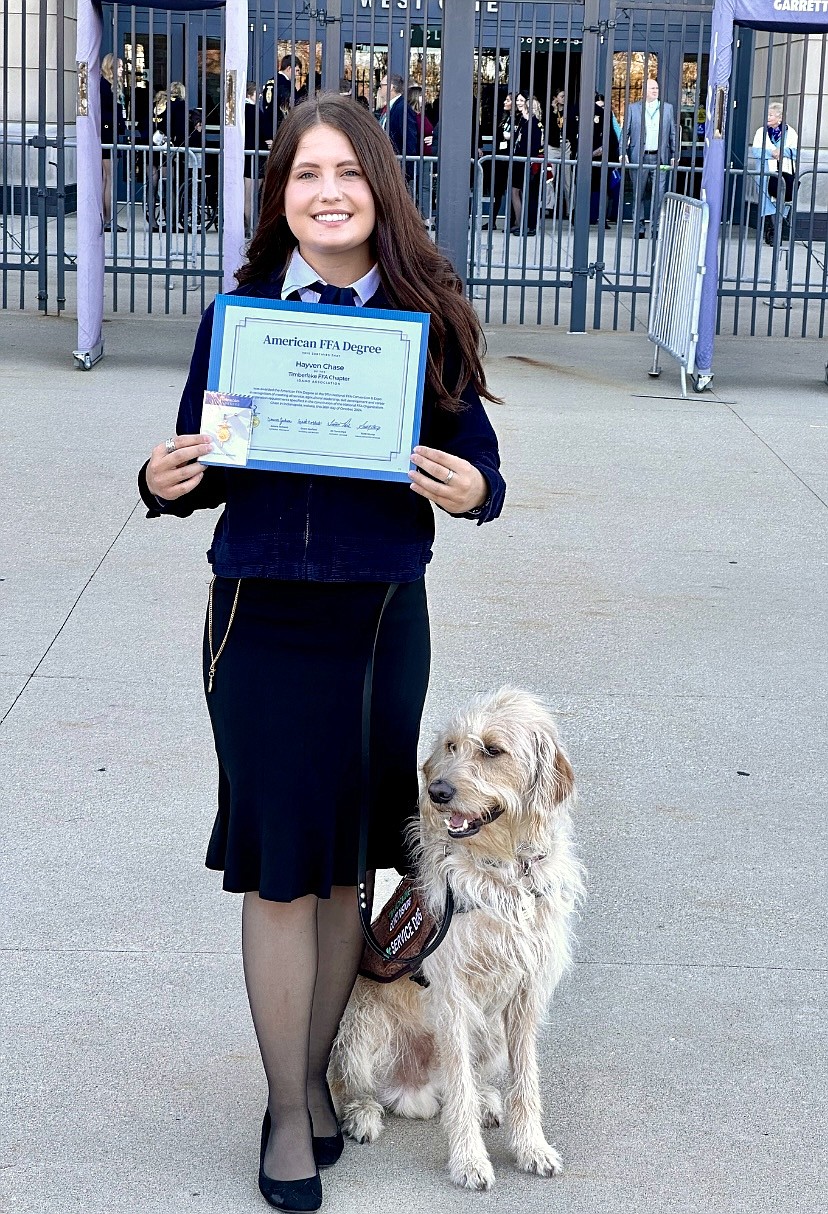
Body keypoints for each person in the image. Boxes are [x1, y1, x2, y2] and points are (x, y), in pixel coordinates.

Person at [137, 93, 505, 1213]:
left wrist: (476, 486)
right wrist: (161, 484)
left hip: (380, 622)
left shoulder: (426, 317)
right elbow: (204, 465)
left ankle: (318, 1079)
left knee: (349, 858)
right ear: (280, 195)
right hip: (259, 621)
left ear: (378, 188)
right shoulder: (241, 313)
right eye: (305, 175)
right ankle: (290, 1103)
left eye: (347, 171)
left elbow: (480, 461)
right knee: (278, 862)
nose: (328, 191)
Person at [623, 77, 676, 239]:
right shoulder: (633, 108)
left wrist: (674, 154)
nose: (655, 91)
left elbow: (672, 133)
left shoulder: (667, 109)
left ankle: (655, 227)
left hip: (660, 158)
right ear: (644, 91)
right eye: (652, 88)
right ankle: (638, 228)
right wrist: (622, 152)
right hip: (639, 157)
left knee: (658, 195)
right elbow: (625, 132)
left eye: (657, 88)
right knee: (638, 193)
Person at [750, 102, 798, 245]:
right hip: (766, 173)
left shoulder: (791, 132)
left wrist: (783, 152)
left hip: (784, 173)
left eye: (771, 115)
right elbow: (756, 151)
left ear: (780, 117)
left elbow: (796, 152)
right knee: (767, 201)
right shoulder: (761, 132)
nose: (768, 117)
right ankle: (773, 232)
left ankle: (775, 231)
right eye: (768, 114)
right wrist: (772, 153)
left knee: (781, 200)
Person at [100, 54, 127, 232]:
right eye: (118, 67)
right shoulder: (106, 86)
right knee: (109, 178)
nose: (122, 70)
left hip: (110, 134)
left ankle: (106, 219)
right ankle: (108, 219)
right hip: (108, 135)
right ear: (110, 67)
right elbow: (109, 113)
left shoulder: (112, 86)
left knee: (106, 178)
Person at [376, 72, 419, 182]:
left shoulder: (402, 108)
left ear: (391, 87)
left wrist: (405, 170)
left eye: (382, 85)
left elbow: (409, 139)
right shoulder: (391, 107)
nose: (380, 88)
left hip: (397, 167)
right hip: (389, 165)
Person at [510, 92, 543, 236]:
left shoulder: (533, 123)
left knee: (525, 192)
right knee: (517, 191)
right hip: (521, 161)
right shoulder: (523, 122)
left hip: (527, 162)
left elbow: (532, 146)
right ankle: (520, 222)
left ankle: (526, 224)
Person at [482, 92, 513, 231]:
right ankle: (492, 220)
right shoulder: (505, 118)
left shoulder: (516, 120)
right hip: (500, 157)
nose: (504, 102)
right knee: (497, 191)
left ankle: (513, 221)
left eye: (507, 100)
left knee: (512, 190)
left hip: (509, 158)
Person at [589, 94, 620, 227]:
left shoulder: (608, 119)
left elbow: (614, 138)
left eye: (603, 106)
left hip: (606, 159)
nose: (600, 110)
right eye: (598, 107)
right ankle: (590, 216)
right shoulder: (589, 119)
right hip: (591, 161)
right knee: (592, 189)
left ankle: (603, 218)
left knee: (605, 189)